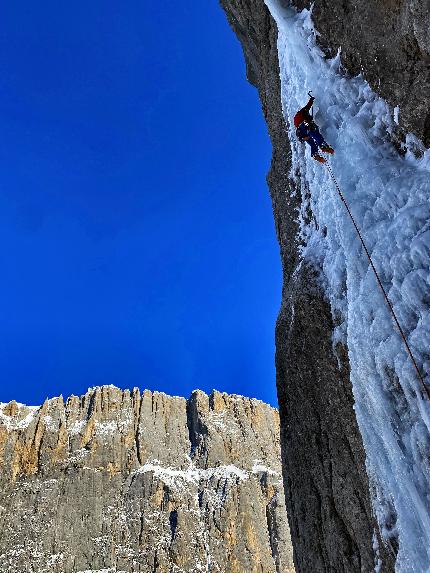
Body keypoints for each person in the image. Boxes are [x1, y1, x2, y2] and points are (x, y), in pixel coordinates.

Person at [294, 93, 334, 164]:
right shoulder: (303, 112)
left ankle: (315, 154)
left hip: (300, 133)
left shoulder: (297, 118)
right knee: (314, 131)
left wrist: (303, 136)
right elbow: (308, 106)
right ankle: (323, 145)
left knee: (313, 144)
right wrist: (312, 99)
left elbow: (299, 128)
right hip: (304, 125)